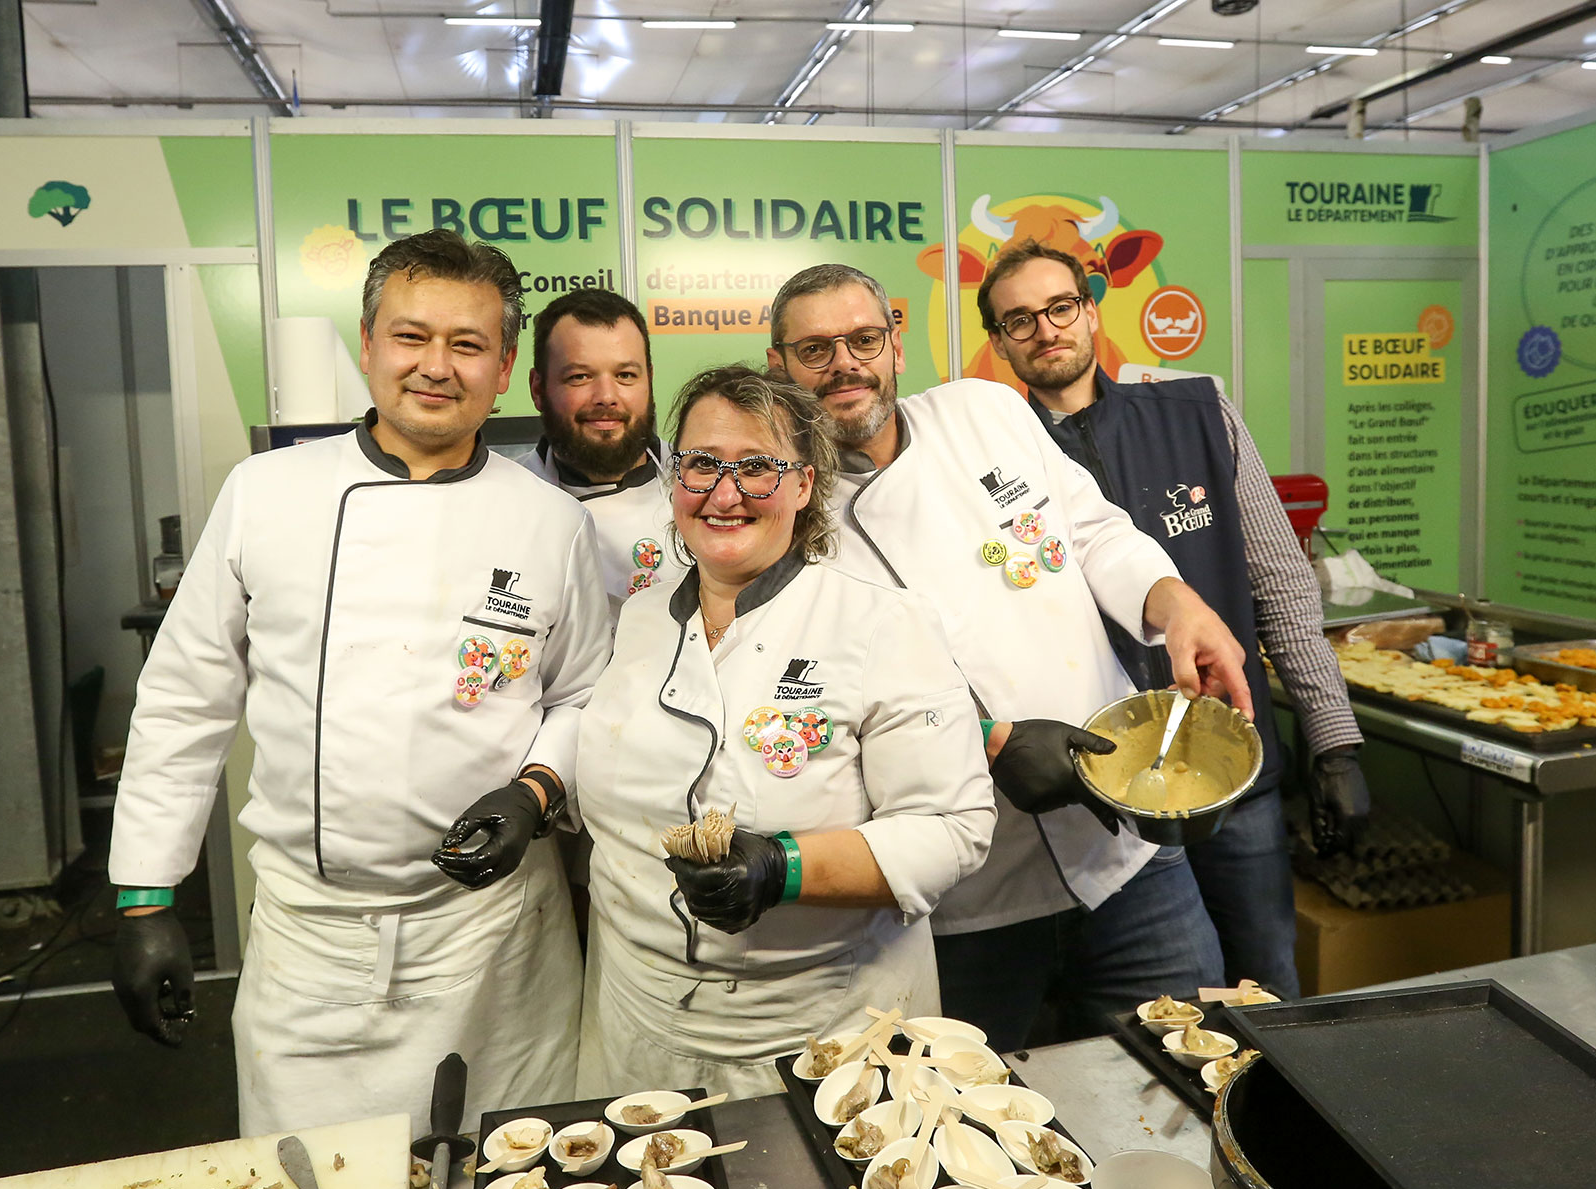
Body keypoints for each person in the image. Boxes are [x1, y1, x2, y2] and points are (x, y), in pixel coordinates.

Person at [109, 230, 613, 1136]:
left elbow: (581, 695)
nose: (436, 367)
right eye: (411, 337)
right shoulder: (265, 493)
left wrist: (535, 794)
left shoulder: (551, 523)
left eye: (468, 345)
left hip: (498, 935)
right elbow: (185, 699)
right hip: (314, 937)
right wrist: (147, 895)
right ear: (368, 343)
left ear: (504, 369)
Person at [765, 263, 1250, 1051]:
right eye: (814, 350)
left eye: (861, 339)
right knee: (984, 1132)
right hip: (967, 906)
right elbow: (825, 698)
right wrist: (986, 738)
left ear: (896, 342)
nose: (844, 364)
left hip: (1126, 848)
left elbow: (1095, 531)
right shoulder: (783, 512)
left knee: (1191, 1073)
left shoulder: (985, 412)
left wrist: (1177, 602)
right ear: (778, 366)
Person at [574, 365, 995, 1098]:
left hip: (824, 1039)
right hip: (637, 1027)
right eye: (702, 464)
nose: (724, 493)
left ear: (805, 485)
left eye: (758, 467)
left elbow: (955, 828)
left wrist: (784, 865)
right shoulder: (638, 619)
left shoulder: (882, 624)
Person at [978, 240, 1369, 997]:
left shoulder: (1198, 413)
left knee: (1266, 986)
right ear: (998, 343)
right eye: (1018, 320)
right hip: (1102, 799)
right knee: (1161, 1012)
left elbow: (1281, 585)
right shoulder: (996, 463)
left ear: (1090, 311)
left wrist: (1334, 742)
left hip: (1233, 775)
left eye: (1060, 308)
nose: (1045, 330)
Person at [522, 288, 684, 611]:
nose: (606, 397)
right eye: (580, 376)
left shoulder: (703, 486)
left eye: (625, 375)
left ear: (649, 381)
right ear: (538, 390)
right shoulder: (509, 498)